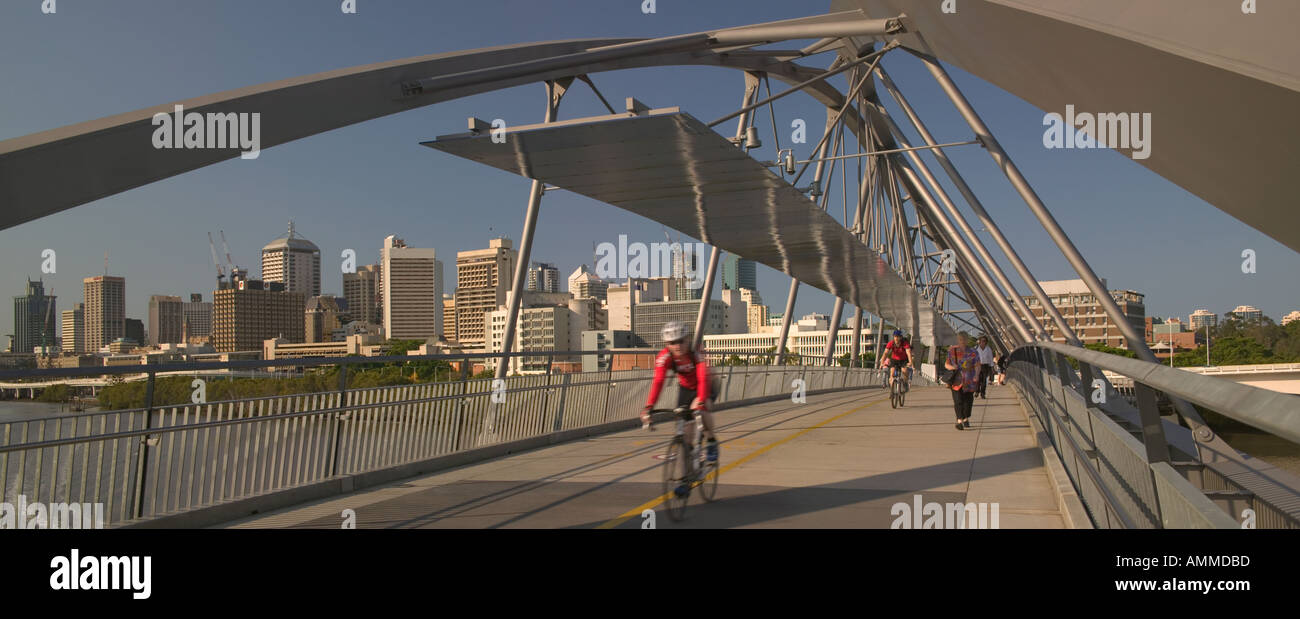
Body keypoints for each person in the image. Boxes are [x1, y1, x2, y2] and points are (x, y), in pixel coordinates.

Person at [641, 321, 717, 497]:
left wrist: (701, 402)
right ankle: (687, 478)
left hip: (705, 384)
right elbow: (658, 381)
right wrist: (649, 407)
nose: (677, 346)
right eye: (672, 343)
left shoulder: (695, 353)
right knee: (685, 437)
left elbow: (703, 379)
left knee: (701, 410)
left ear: (688, 339)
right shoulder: (665, 357)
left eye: (681, 341)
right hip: (685, 389)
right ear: (666, 345)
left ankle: (712, 441)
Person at [945, 335, 981, 430]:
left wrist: (976, 375)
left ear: (967, 340)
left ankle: (965, 417)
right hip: (957, 380)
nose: (962, 341)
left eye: (964, 339)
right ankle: (959, 420)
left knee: (968, 402)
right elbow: (947, 364)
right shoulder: (952, 351)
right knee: (958, 401)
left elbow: (977, 365)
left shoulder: (973, 352)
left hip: (969, 380)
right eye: (960, 339)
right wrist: (952, 367)